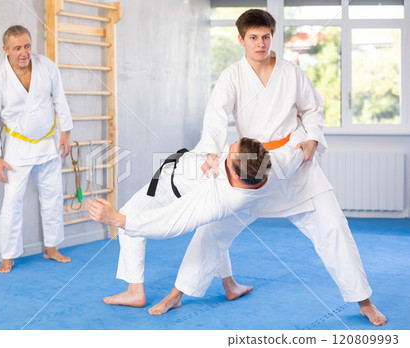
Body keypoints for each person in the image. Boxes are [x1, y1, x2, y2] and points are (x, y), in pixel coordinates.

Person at [148, 9, 387, 326]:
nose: (260, 44)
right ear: (241, 40)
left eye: (265, 37)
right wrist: (209, 151)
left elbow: (312, 109)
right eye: (253, 38)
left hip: (294, 162)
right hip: (251, 167)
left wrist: (312, 138)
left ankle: (364, 301)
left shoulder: (291, 72)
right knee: (212, 228)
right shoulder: (232, 76)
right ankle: (178, 293)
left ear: (272, 37)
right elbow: (216, 116)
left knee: (334, 227)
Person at [89, 126, 310, 307]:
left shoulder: (215, 198)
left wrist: (117, 219)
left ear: (233, 173)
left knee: (130, 213)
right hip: (177, 172)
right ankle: (230, 285)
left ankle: (134, 290)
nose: (230, 145)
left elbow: (169, 221)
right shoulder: (271, 164)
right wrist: (307, 140)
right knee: (214, 233)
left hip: (169, 188)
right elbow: (297, 150)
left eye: (229, 152)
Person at [0, 25, 73, 273]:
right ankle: (8, 255)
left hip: (49, 142)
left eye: (27, 46)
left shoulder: (47, 67)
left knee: (53, 195)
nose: (24, 52)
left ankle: (52, 247)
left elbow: (60, 99)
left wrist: (66, 133)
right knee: (12, 201)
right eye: (17, 48)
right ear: (6, 49)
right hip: (17, 147)